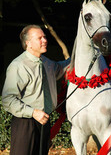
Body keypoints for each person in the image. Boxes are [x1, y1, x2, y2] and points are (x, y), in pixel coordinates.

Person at [2, 25, 70, 155]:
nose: (45, 40)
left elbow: (60, 68)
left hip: (44, 122)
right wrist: (33, 112)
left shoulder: (46, 62)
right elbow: (7, 99)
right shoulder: (18, 65)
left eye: (44, 37)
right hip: (25, 124)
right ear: (28, 43)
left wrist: (79, 55)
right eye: (40, 38)